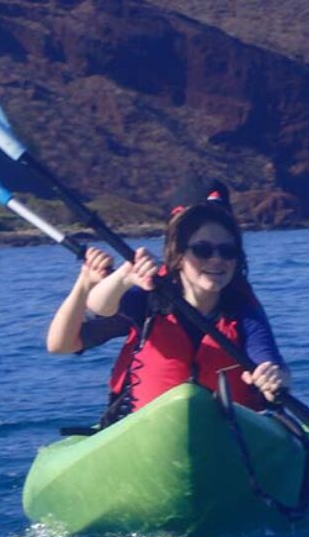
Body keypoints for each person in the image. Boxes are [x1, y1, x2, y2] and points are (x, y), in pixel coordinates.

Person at [82, 178, 290, 422]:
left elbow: (266, 355)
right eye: (203, 250)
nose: (216, 259)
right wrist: (123, 277)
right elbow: (98, 307)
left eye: (227, 251)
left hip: (227, 433)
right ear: (178, 253)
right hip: (152, 426)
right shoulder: (150, 292)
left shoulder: (241, 306)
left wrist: (275, 378)